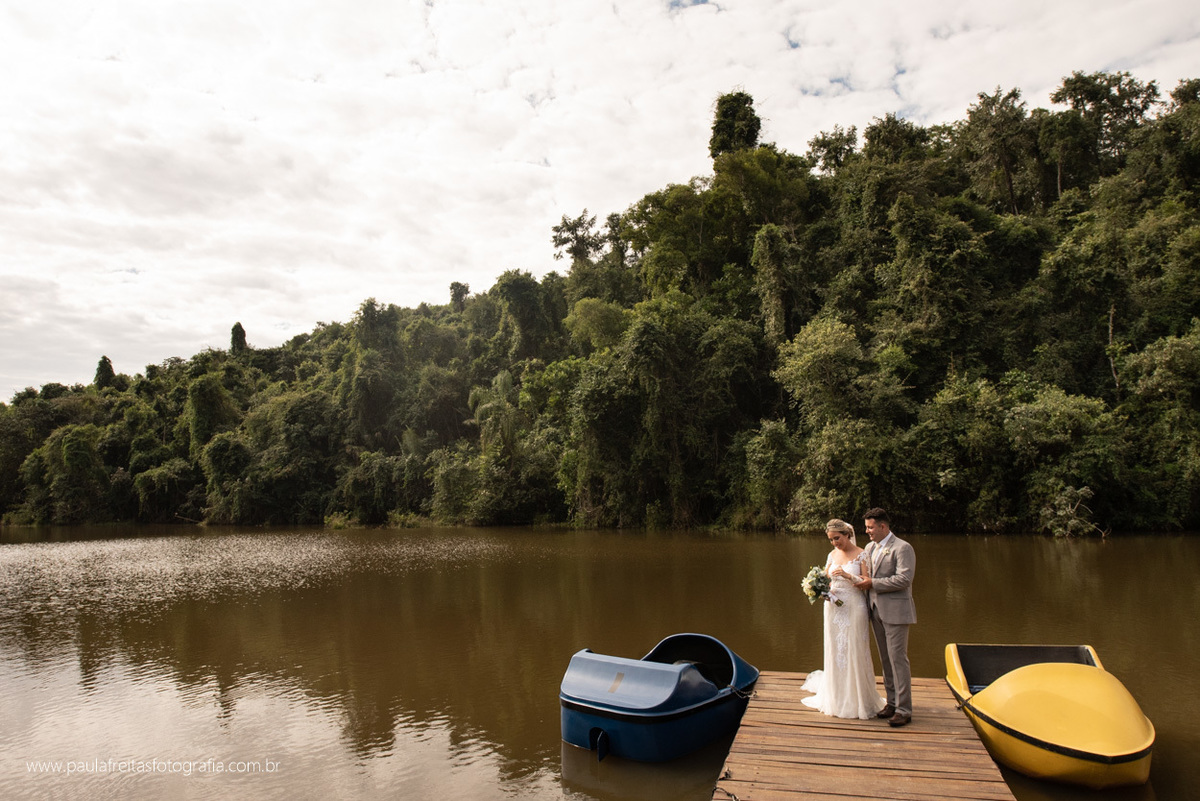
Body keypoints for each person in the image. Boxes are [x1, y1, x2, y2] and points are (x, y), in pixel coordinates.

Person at [800, 519, 886, 719]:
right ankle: (836, 697)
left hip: (854, 607)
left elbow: (867, 583)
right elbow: (826, 579)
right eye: (831, 540)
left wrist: (848, 576)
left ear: (847, 534)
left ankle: (857, 698)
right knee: (835, 649)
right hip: (833, 608)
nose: (834, 543)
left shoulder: (862, 554)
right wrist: (819, 589)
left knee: (853, 649)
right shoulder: (831, 555)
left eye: (837, 538)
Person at [857, 507, 916, 727]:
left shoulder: (902, 548)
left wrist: (872, 583)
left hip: (896, 612)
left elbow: (904, 579)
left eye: (870, 527)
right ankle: (891, 702)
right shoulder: (871, 547)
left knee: (898, 659)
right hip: (874, 610)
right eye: (866, 527)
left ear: (883, 526)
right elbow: (866, 576)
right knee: (885, 659)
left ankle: (904, 709)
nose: (868, 532)